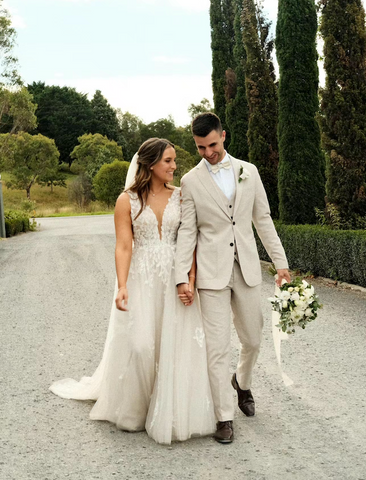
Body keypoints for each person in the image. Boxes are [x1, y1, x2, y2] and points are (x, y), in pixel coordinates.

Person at [50, 138, 215, 445]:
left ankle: (168, 411)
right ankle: (136, 409)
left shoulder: (181, 197)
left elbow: (190, 241)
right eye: (168, 160)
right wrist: (123, 284)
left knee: (172, 345)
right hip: (142, 279)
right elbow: (124, 245)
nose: (174, 166)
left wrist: (190, 278)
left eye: (174, 160)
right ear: (150, 164)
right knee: (141, 345)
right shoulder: (127, 200)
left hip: (175, 278)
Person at [175, 113, 290, 444]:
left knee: (253, 339)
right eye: (200, 148)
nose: (208, 152)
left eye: (212, 144)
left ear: (223, 136)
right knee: (217, 348)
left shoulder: (248, 172)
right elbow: (187, 231)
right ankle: (223, 417)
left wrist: (280, 263)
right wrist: (182, 275)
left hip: (248, 269)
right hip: (211, 275)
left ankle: (241, 381)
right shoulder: (191, 181)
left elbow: (262, 220)